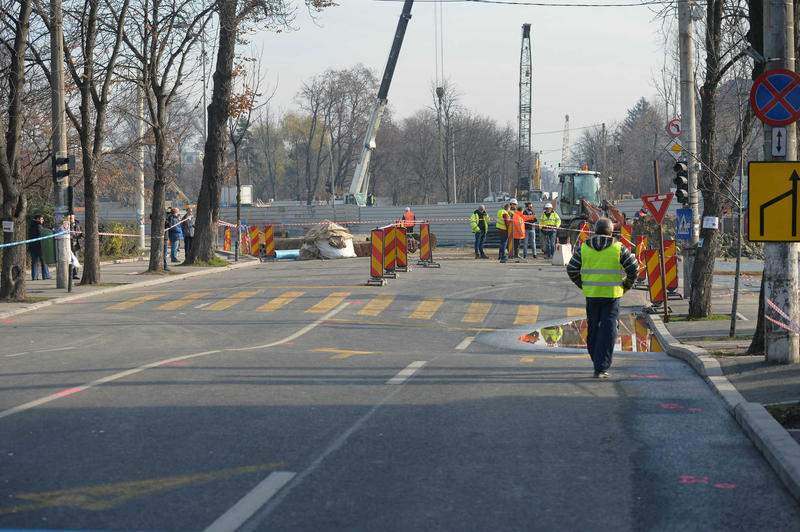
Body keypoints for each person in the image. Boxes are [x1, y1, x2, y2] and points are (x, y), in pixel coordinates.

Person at [566, 217, 639, 378]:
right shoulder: (619, 248)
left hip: (592, 296)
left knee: (592, 329)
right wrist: (626, 285)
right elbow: (634, 267)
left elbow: (571, 269)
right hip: (612, 296)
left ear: (595, 231)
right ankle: (601, 366)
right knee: (608, 329)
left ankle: (596, 358)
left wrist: (583, 284)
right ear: (611, 232)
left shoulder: (584, 247)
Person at [28, 214, 51, 280]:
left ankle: (34, 276)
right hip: (39, 246)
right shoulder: (39, 226)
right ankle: (46, 275)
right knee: (43, 260)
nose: (43, 220)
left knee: (34, 261)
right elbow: (42, 234)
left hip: (32, 246)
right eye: (41, 219)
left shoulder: (31, 226)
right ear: (37, 219)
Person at [69, 214, 82, 279]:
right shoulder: (67, 224)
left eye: (72, 218)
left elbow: (81, 231)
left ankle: (75, 274)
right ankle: (69, 274)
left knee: (75, 259)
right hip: (68, 244)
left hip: (76, 244)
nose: (71, 219)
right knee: (69, 260)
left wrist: (82, 234)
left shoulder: (77, 223)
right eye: (70, 218)